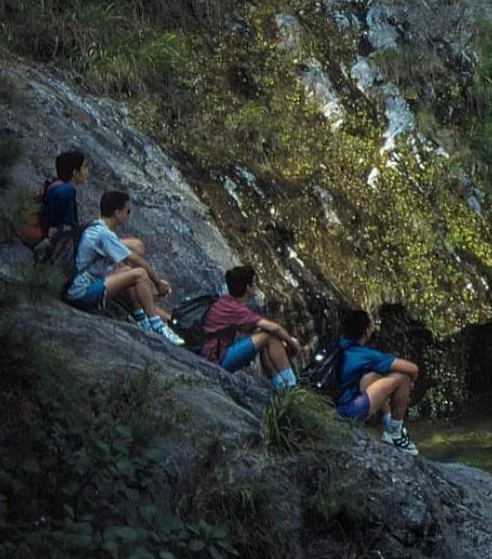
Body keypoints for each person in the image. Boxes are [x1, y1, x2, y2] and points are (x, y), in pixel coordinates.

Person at [64, 189, 184, 346]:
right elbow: (138, 261)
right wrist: (158, 283)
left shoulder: (95, 227)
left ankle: (141, 318)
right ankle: (157, 326)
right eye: (127, 211)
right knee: (139, 274)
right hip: (81, 291)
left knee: (128, 271)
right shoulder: (104, 235)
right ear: (117, 212)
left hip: (80, 283)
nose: (128, 215)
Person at [333, 309, 419, 454]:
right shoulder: (364, 354)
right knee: (403, 378)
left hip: (327, 406)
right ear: (366, 331)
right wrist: (410, 383)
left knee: (374, 376)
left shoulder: (335, 346)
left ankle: (387, 422)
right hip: (344, 412)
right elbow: (413, 369)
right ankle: (395, 434)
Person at [203, 265, 300, 392]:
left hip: (215, 352)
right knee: (267, 335)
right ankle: (292, 386)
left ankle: (282, 388)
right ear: (248, 287)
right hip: (216, 358)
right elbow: (274, 328)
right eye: (254, 282)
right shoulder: (235, 309)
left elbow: (253, 329)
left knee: (264, 339)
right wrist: (293, 344)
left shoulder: (226, 302)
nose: (256, 286)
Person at [37, 149, 88, 240]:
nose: (87, 171)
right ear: (75, 173)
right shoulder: (67, 191)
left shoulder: (54, 185)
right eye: (84, 167)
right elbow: (66, 227)